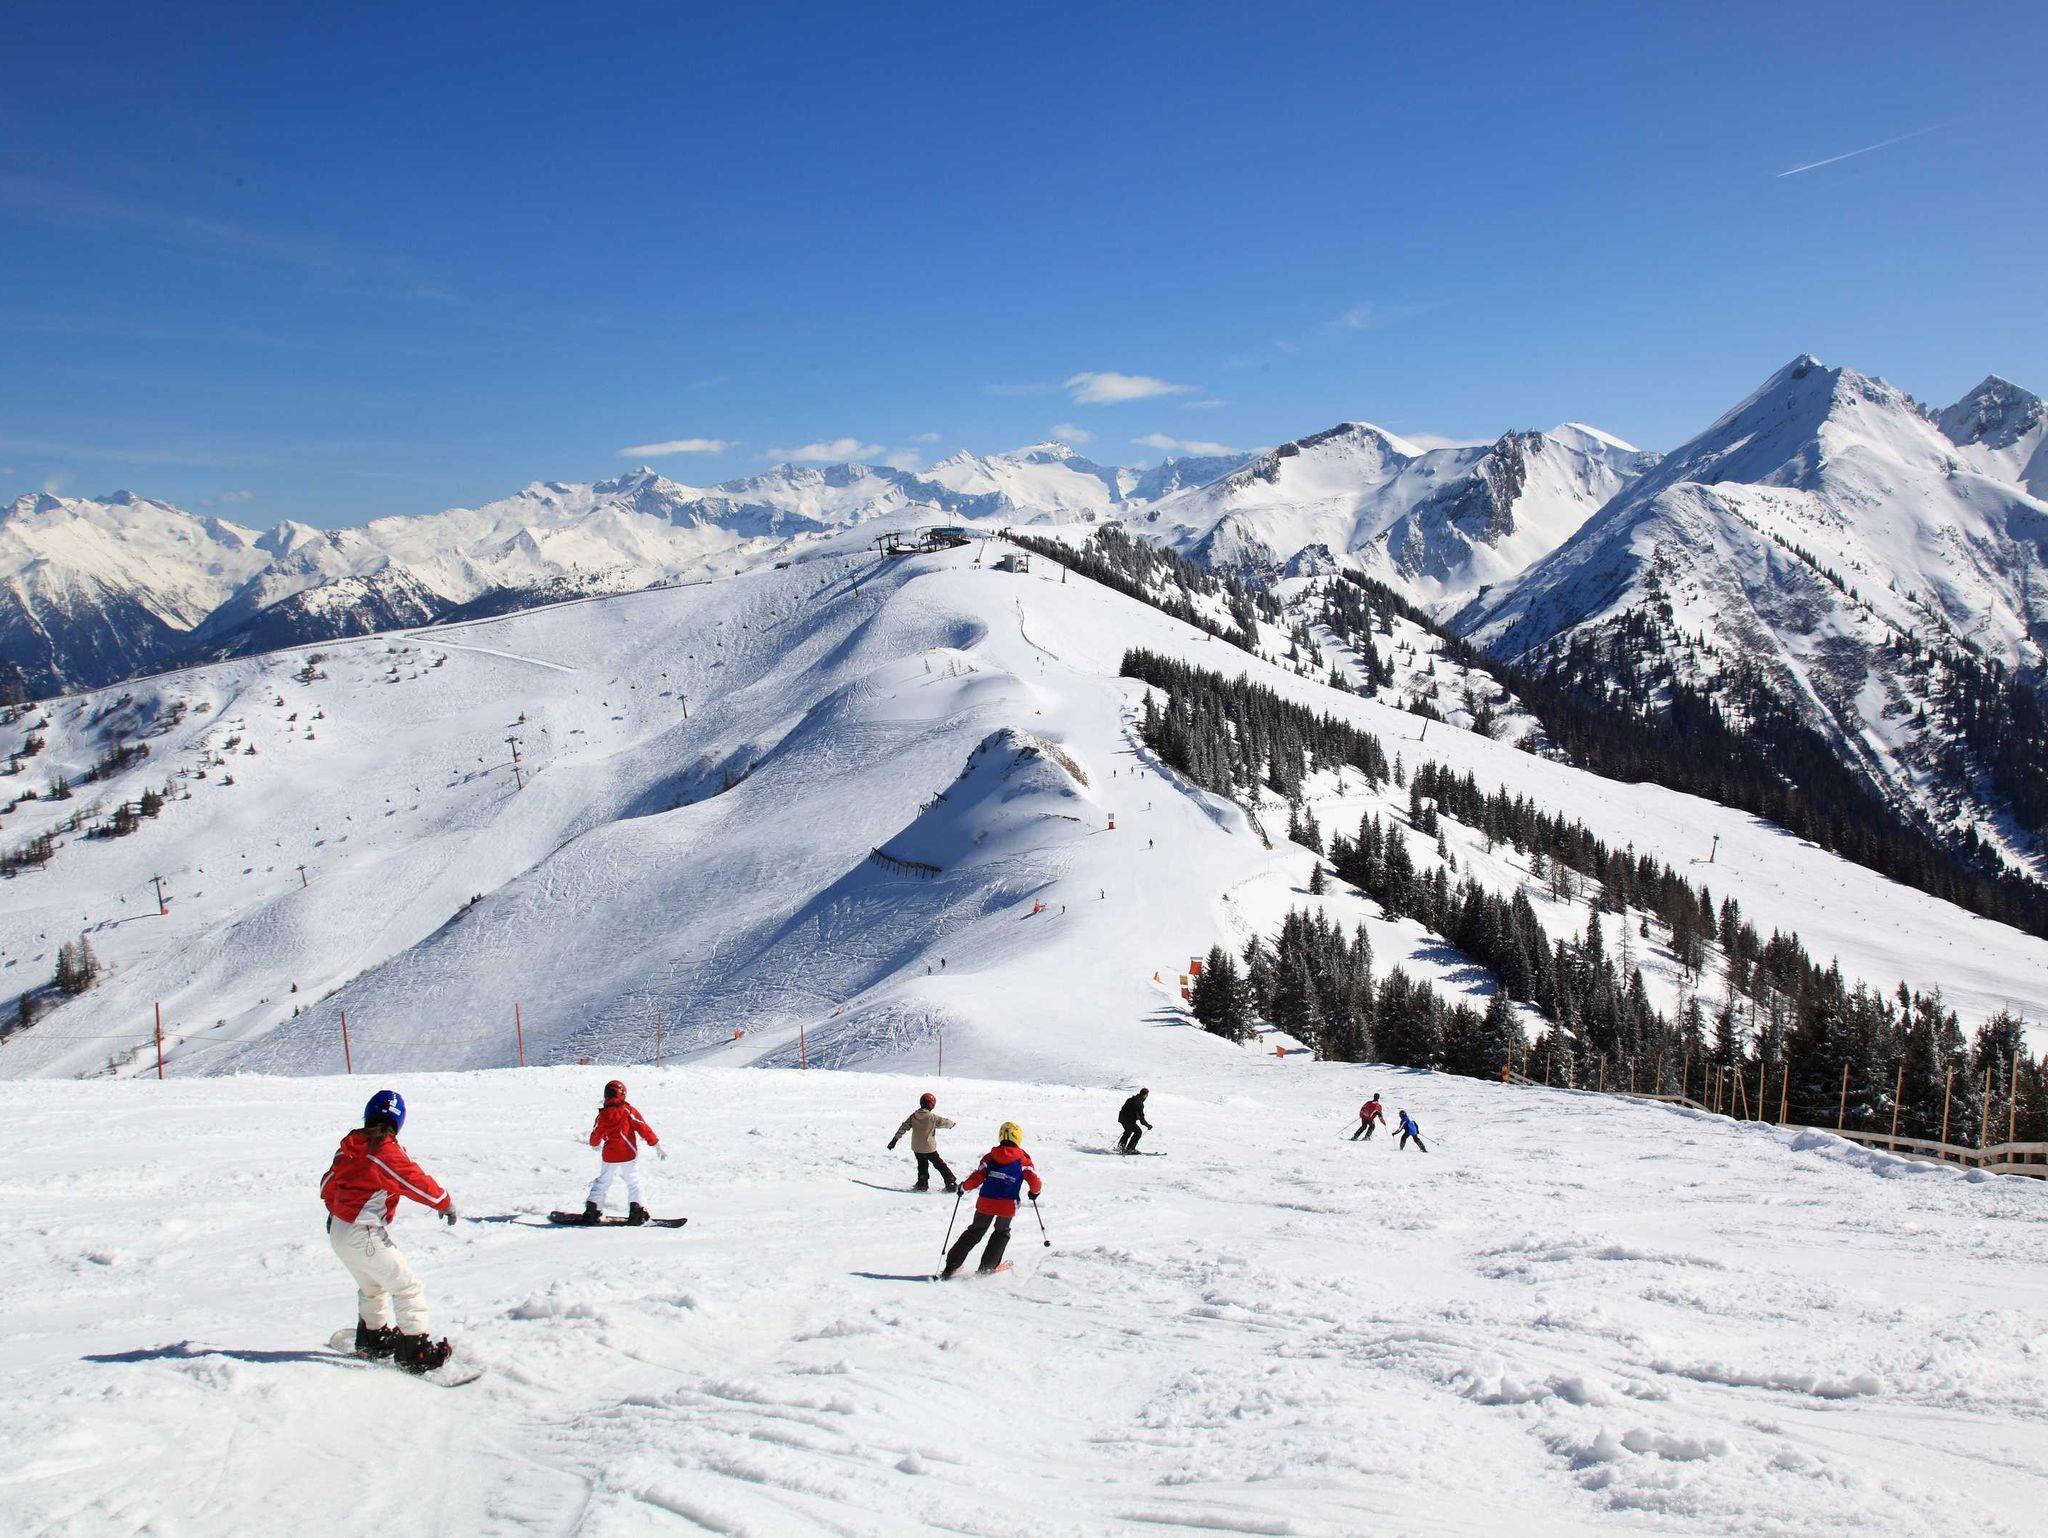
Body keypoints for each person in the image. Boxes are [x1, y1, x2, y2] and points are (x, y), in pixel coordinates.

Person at [320, 1089, 455, 1373]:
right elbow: (413, 1180)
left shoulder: (350, 1145)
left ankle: (373, 1338)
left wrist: (334, 1211)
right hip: (364, 1233)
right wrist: (443, 1202)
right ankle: (414, 1351)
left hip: (340, 1230)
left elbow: (328, 1183)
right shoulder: (384, 1151)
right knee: (407, 1287)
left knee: (373, 1286)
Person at [944, 1121, 1042, 1278]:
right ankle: (987, 1268)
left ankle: (951, 1266)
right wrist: (1034, 1192)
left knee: (975, 1231)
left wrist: (963, 1187)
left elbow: (977, 1177)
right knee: (1001, 1232)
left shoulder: (990, 1157)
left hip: (986, 1201)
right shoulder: (1023, 1160)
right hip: (1007, 1204)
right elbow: (1034, 1180)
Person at [580, 1079, 663, 1224]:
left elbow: (596, 1132)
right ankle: (638, 1211)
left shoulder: (603, 1114)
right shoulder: (628, 1110)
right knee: (634, 1181)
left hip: (609, 1155)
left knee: (603, 1181)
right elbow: (642, 1127)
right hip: (627, 1153)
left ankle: (593, 1209)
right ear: (622, 1094)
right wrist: (655, 1143)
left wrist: (594, 1143)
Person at [888, 1091, 958, 1191]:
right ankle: (950, 1181)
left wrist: (894, 1140)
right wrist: (952, 1124)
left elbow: (904, 1127)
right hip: (929, 1148)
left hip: (917, 1148)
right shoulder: (932, 1117)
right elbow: (945, 1122)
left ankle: (922, 1184)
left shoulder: (914, 1116)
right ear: (931, 1105)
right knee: (939, 1165)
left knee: (922, 1165)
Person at [1117, 1087, 1153, 1153]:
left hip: (1122, 1119)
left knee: (1128, 1131)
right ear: (1144, 1095)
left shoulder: (1131, 1099)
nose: (1146, 1097)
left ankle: (1120, 1147)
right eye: (1147, 1095)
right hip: (1128, 1120)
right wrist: (1147, 1125)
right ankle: (1130, 1149)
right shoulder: (1139, 1103)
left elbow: (1124, 1109)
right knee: (1138, 1132)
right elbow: (1141, 1117)